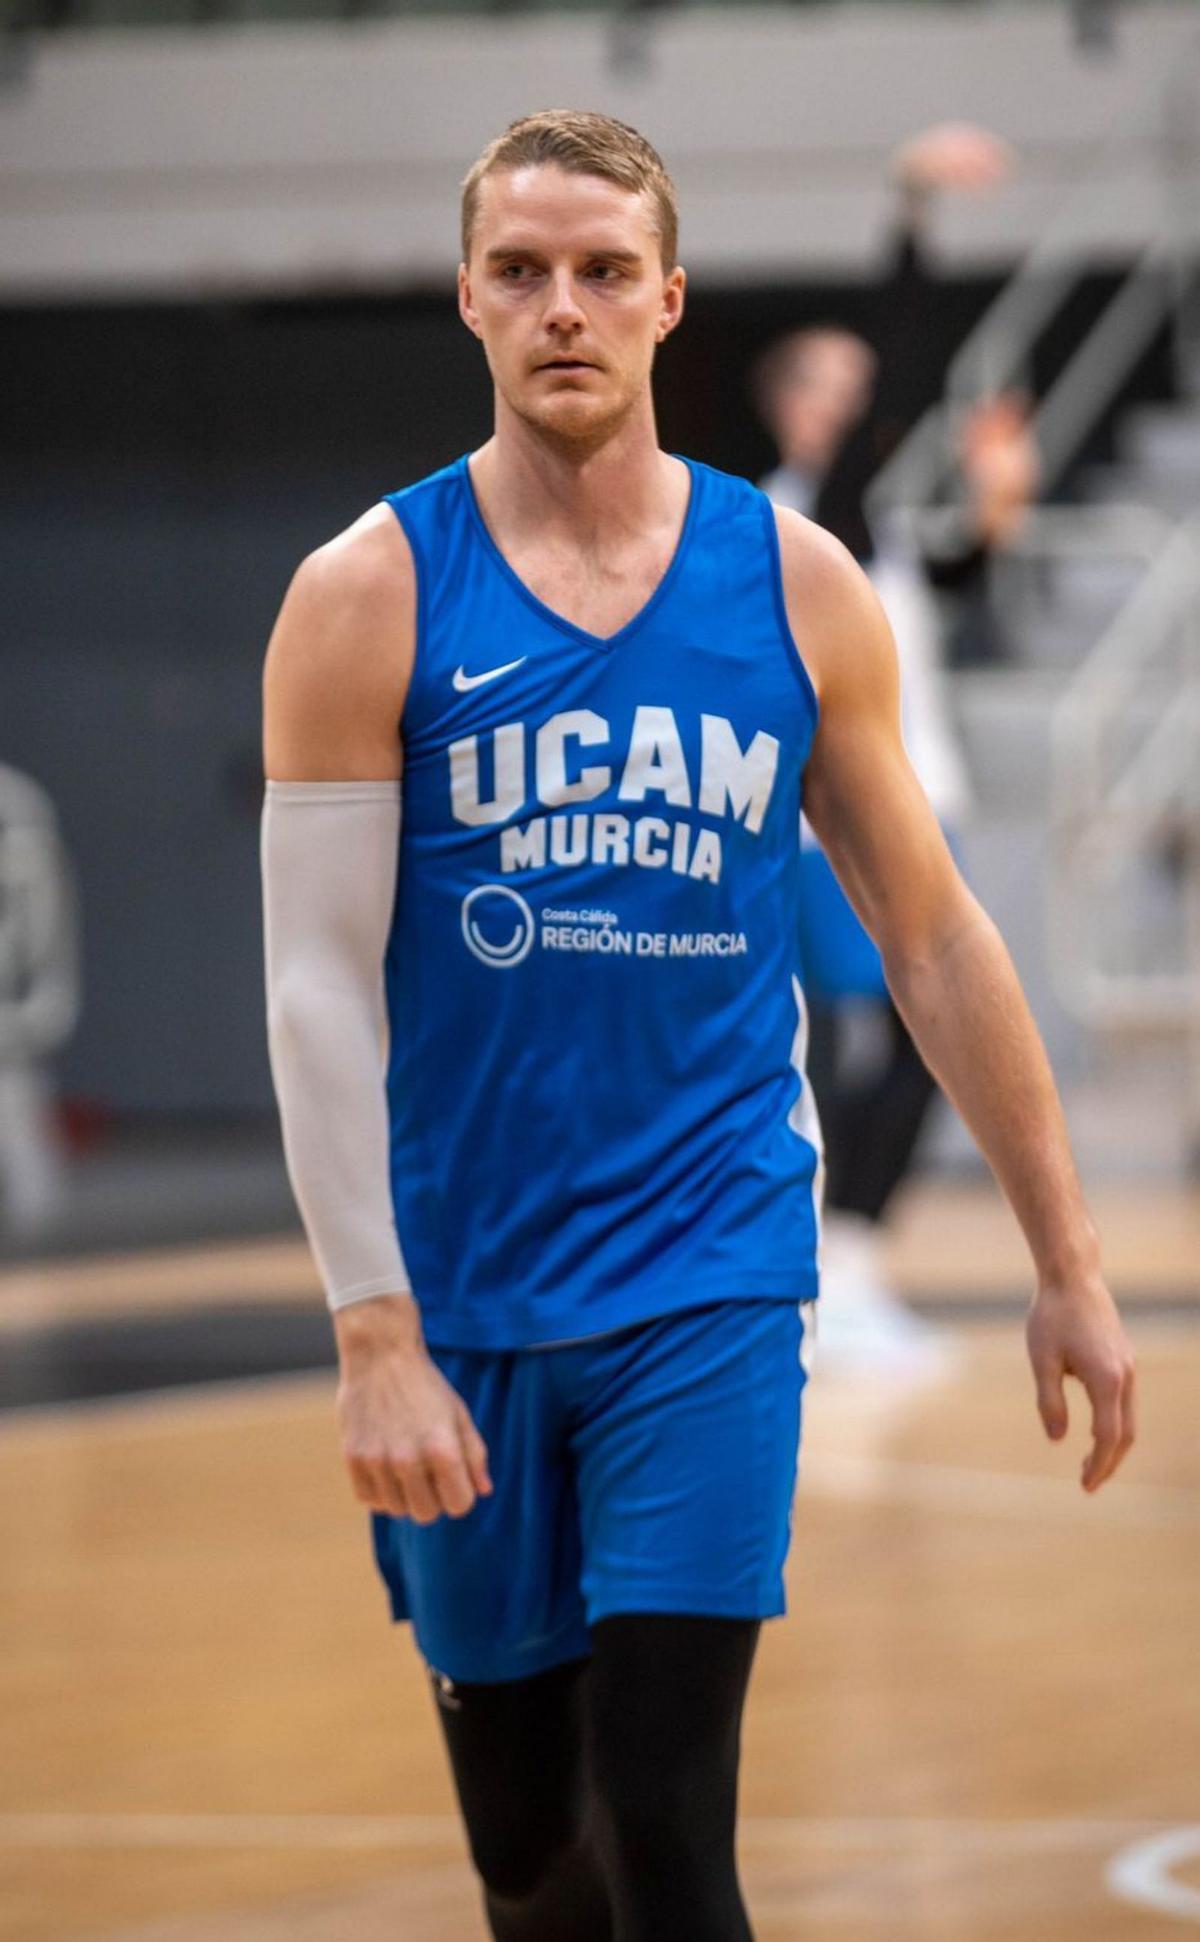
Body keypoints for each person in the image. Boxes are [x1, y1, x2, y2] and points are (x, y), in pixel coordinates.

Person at [261, 110, 1136, 1942]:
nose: (561, 307)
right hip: (465, 1290)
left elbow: (938, 936)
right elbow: (318, 982)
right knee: (528, 1847)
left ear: (669, 301)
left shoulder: (796, 588)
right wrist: (369, 1328)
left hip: (711, 1268)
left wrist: (1067, 1251)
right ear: (468, 299)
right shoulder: (366, 594)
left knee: (669, 1810)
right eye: (521, 271)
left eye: (600, 273)